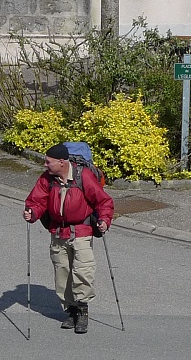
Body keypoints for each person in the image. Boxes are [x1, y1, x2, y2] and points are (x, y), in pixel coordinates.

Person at [22, 143, 114, 334]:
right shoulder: (47, 179)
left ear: (62, 162)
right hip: (58, 232)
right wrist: (32, 213)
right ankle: (71, 312)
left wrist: (104, 220)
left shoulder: (83, 176)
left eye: (49, 162)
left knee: (83, 272)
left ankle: (82, 313)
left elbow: (104, 201)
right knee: (62, 274)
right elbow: (36, 201)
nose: (45, 165)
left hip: (81, 231)